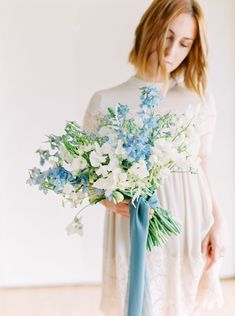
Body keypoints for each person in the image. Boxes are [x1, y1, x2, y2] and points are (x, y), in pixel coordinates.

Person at [82, 0, 228, 315]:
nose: (172, 50)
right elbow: (89, 180)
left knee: (181, 304)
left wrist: (217, 222)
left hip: (187, 223)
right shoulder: (106, 100)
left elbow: (201, 164)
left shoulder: (198, 101)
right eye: (168, 36)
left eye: (185, 44)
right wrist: (109, 201)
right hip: (133, 224)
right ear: (151, 28)